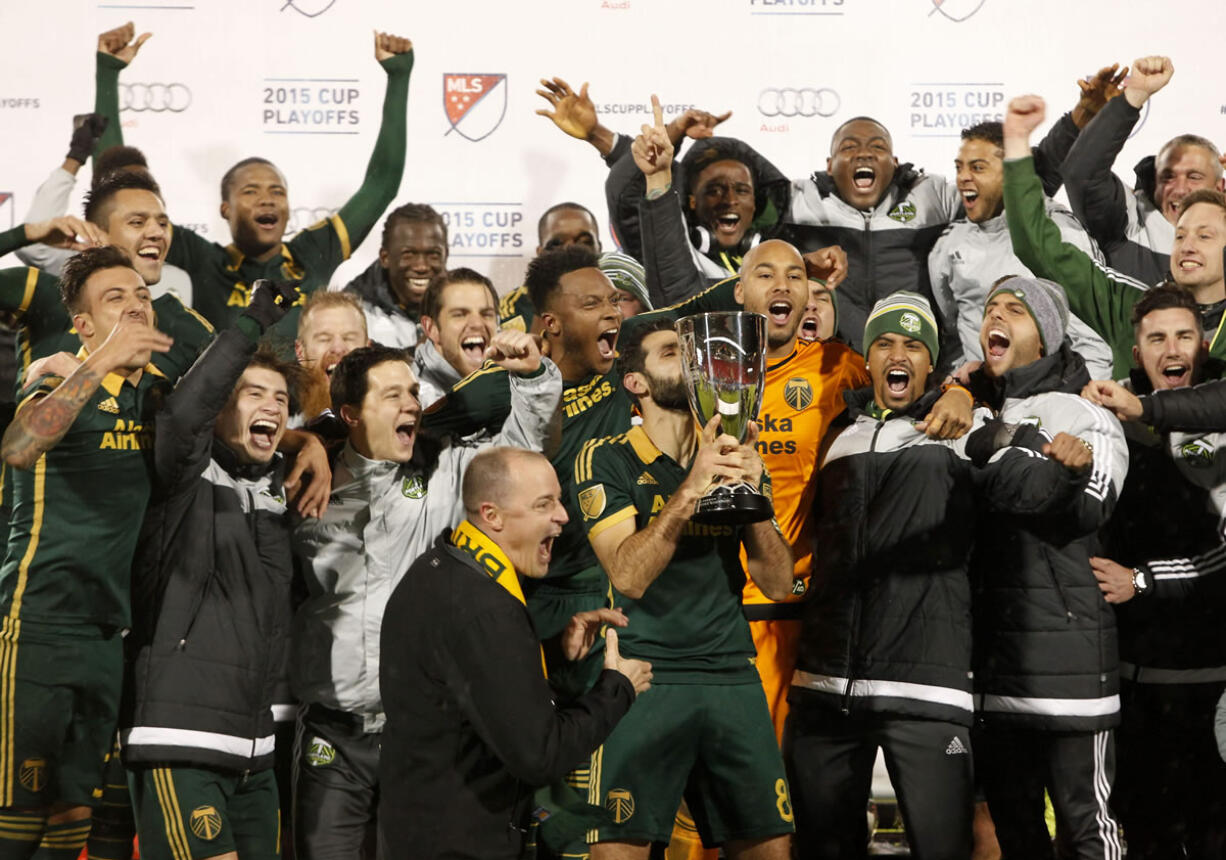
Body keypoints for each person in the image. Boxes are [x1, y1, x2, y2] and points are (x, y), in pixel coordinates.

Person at [292, 333, 561, 860]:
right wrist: (297, 443)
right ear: (348, 413)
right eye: (392, 395)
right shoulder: (304, 481)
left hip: (418, 738)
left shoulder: (443, 469)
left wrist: (531, 380)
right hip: (332, 732)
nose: (411, 403)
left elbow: (521, 457)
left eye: (412, 392)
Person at [573, 318, 794, 859]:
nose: (692, 362)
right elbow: (628, 575)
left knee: (770, 847)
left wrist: (751, 498)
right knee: (617, 850)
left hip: (730, 674)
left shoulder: (733, 451)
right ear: (636, 382)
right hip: (642, 677)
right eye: (672, 352)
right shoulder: (605, 458)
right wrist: (691, 490)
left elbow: (779, 583)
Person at [379, 446, 652, 860]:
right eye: (545, 504)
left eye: (559, 500)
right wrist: (618, 688)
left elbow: (470, 683)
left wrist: (554, 653)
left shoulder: (441, 568)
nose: (563, 516)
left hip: (419, 830)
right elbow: (539, 756)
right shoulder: (485, 608)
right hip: (461, 845)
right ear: (492, 516)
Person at [786, 292, 978, 860]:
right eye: (886, 343)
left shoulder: (967, 426)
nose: (899, 353)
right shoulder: (835, 433)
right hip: (824, 684)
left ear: (931, 363)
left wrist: (972, 393)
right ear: (866, 360)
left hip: (925, 686)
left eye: (914, 345)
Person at [121, 279, 306, 860]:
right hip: (181, 736)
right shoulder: (185, 475)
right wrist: (251, 325)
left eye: (280, 398)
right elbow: (185, 413)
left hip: (256, 747)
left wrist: (315, 445)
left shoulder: (283, 487)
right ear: (223, 402)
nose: (271, 407)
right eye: (252, 393)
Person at [0, 246, 174, 859]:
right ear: (82, 324)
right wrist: (98, 363)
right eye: (114, 300)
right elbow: (21, 445)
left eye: (142, 297)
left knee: (74, 807)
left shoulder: (158, 396)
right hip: (39, 621)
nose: (134, 307)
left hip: (109, 630)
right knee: (18, 809)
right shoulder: (58, 377)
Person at [91, 24, 415, 339]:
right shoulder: (205, 261)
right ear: (225, 209)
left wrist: (398, 78)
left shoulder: (313, 253)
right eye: (250, 191)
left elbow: (381, 184)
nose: (267, 199)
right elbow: (117, 189)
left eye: (277, 191)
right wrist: (108, 72)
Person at [779, 68, 1121, 350]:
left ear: (894, 161)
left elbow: (1021, 189)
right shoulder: (799, 202)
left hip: (912, 362)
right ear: (828, 164)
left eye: (878, 147)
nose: (864, 154)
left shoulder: (933, 196)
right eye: (849, 147)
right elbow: (741, 218)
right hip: (830, 362)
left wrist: (1078, 122)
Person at [964, 275, 1128, 860]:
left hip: (1071, 668)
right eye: (990, 308)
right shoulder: (971, 409)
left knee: (1089, 829)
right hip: (994, 670)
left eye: (1016, 310)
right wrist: (1025, 448)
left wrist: (1000, 448)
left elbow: (1086, 508)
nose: (996, 317)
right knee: (1017, 834)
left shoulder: (1087, 411)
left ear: (1048, 338)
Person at [1076, 285, 1226, 859]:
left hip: (1213, 683)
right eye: (1156, 338)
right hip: (1134, 689)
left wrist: (1142, 580)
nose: (1172, 348)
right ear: (1135, 353)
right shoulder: (1109, 425)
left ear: (1204, 345)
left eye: (1184, 336)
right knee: (1145, 838)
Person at [1002, 94, 1226, 372]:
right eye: (1180, 236)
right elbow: (1034, 244)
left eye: (1204, 236)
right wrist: (1015, 142)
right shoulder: (1129, 308)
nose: (1187, 246)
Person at [929, 121, 1114, 378]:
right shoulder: (950, 244)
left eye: (978, 168)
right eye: (959, 168)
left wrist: (1075, 404)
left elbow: (1095, 342)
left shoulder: (1060, 234)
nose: (962, 178)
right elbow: (952, 331)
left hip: (1046, 399)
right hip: (976, 403)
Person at [1062, 55, 1226, 285]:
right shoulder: (1127, 221)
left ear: (1220, 186)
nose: (1179, 189)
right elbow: (1082, 173)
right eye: (1167, 177)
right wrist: (1133, 98)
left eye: (1194, 177)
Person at [343, 203, 449, 348]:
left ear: (446, 255)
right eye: (408, 255)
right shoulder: (352, 314)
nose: (422, 266)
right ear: (385, 258)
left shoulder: (466, 305)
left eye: (433, 255)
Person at [497, 202, 605, 334]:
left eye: (584, 243)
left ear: (599, 248)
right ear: (540, 253)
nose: (571, 252)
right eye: (556, 244)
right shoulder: (512, 309)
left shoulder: (624, 300)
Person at [414, 268, 500, 408]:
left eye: (486, 314)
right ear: (431, 328)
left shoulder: (511, 377)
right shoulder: (417, 400)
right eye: (460, 314)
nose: (477, 324)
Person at [293, 290, 371, 423]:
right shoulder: (279, 431)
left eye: (349, 338)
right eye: (324, 339)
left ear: (368, 349)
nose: (338, 348)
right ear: (300, 352)